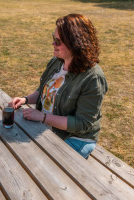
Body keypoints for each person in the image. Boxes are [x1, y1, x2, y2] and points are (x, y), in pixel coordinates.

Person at [12, 14, 108, 159]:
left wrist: (43, 117)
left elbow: (83, 123)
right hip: (46, 125)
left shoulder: (93, 78)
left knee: (45, 167)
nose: (53, 44)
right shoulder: (56, 62)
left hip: (74, 137)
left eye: (58, 41)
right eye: (53, 38)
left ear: (75, 44)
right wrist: (25, 99)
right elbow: (44, 91)